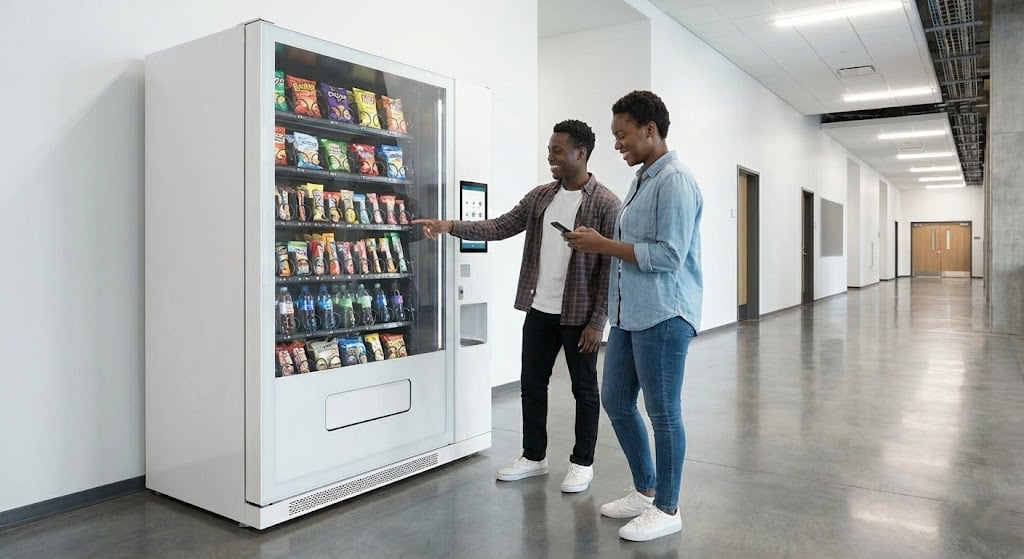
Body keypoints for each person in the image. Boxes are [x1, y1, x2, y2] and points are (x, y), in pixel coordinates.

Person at [413, 120, 621, 493]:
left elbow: (610, 270)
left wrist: (597, 322)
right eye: (549, 149)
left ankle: (581, 462)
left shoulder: (606, 203)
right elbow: (501, 226)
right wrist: (449, 226)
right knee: (532, 385)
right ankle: (534, 457)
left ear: (581, 153)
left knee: (584, 390)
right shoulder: (542, 196)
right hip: (540, 309)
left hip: (578, 315)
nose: (550, 156)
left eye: (558, 150)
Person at [565, 91, 703, 542]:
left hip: (665, 312)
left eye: (622, 135)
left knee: (663, 412)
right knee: (617, 400)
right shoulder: (644, 178)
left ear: (650, 129)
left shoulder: (675, 181)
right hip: (630, 314)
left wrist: (602, 245)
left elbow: (668, 255)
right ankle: (646, 490)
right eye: (614, 137)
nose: (618, 144)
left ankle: (668, 506)